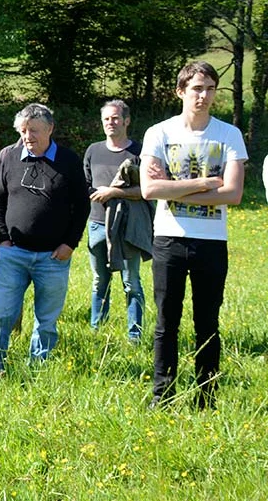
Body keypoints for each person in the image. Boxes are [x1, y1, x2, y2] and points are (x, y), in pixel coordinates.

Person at [140, 61, 247, 410]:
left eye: (210, 89)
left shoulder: (229, 134)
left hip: (212, 241)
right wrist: (203, 183)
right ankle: (163, 397)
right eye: (196, 88)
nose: (203, 96)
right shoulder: (160, 133)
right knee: (165, 322)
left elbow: (232, 194)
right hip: (169, 238)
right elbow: (148, 188)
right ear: (180, 91)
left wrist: (173, 188)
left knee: (208, 323)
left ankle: (206, 398)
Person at [0, 103, 89, 372]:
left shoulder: (69, 161)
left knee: (46, 319)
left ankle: (38, 367)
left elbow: (82, 206)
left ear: (50, 129)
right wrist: (1, 234)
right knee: (2, 313)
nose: (27, 137)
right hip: (14, 253)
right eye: (23, 131)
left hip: (54, 257)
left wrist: (69, 244)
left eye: (33, 131)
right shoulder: (8, 156)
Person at [83, 100, 148, 343]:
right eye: (106, 119)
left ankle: (135, 336)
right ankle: (97, 332)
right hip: (97, 224)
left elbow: (148, 191)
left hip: (129, 226)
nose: (110, 123)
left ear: (127, 120)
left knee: (131, 282)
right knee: (100, 281)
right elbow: (85, 184)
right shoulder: (93, 150)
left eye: (115, 118)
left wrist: (114, 193)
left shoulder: (140, 151)